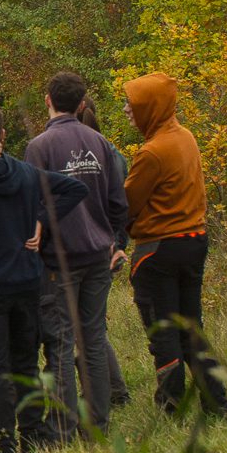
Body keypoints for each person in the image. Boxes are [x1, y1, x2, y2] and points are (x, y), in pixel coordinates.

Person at [0, 102, 89, 453]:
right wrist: (43, 217)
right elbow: (75, 190)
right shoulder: (27, 174)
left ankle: (3, 445)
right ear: (2, 134)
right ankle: (32, 436)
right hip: (27, 283)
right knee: (26, 363)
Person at [24, 71, 130, 438]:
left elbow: (33, 203)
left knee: (62, 342)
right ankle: (97, 424)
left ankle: (64, 427)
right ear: (82, 104)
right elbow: (118, 201)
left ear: (47, 99)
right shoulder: (100, 143)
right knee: (93, 339)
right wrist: (115, 239)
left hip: (60, 259)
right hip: (99, 254)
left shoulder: (39, 147)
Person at [122, 73, 227, 416]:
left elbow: (127, 204)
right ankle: (216, 402)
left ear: (151, 107)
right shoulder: (186, 138)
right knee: (191, 328)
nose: (126, 109)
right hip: (194, 241)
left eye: (132, 103)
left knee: (163, 331)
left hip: (159, 251)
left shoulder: (152, 152)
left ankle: (171, 406)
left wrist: (128, 227)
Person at [76, 98, 133, 408]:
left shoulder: (80, 154)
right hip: (107, 245)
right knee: (92, 326)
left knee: (89, 329)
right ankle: (108, 389)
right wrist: (119, 243)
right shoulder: (111, 152)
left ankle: (110, 391)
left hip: (92, 248)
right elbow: (121, 204)